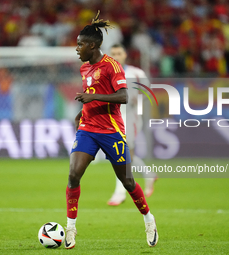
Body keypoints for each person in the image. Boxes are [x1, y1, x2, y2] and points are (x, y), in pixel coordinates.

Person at [65, 11, 158, 249]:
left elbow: (124, 97)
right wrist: (80, 113)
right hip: (87, 129)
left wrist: (92, 96)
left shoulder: (112, 67)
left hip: (111, 131)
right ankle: (71, 228)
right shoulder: (84, 68)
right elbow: (91, 98)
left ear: (93, 45)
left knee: (127, 181)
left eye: (80, 45)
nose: (77, 49)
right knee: (74, 175)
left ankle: (148, 219)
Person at [107, 44, 157, 206]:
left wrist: (139, 98)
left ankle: (119, 193)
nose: (116, 56)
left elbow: (148, 91)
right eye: (113, 53)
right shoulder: (106, 73)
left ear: (125, 55)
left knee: (120, 152)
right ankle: (148, 174)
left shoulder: (136, 73)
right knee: (126, 155)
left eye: (119, 53)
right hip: (113, 117)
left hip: (131, 117)